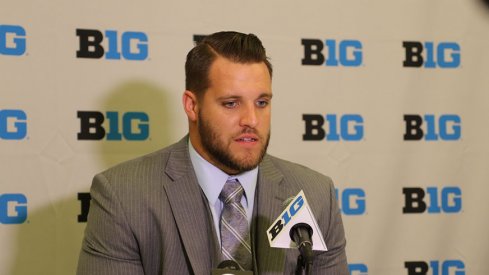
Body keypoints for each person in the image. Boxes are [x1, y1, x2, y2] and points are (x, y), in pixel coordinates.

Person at [77, 31, 348, 275]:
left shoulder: (314, 194)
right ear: (192, 106)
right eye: (231, 103)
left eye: (262, 102)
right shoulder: (123, 196)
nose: (252, 120)